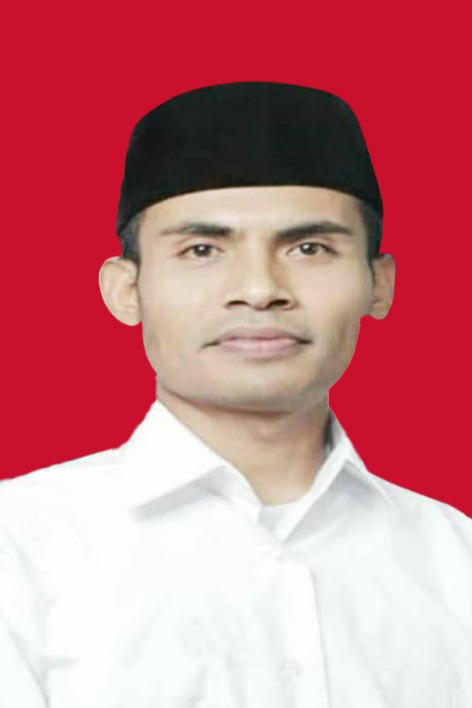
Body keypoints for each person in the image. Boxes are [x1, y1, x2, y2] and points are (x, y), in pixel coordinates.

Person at [0, 82, 471, 708]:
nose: (258, 289)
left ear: (378, 284)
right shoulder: (19, 549)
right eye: (202, 250)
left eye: (309, 248)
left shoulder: (456, 559)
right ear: (126, 290)